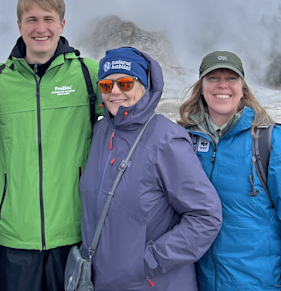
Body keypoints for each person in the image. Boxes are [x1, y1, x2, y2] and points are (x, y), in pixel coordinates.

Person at [0, 0, 102, 291]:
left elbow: (130, 116)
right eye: (31, 19)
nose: (40, 28)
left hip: (74, 232)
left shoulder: (88, 74)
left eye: (48, 19)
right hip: (14, 236)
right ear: (19, 25)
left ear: (62, 24)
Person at [79, 47, 222, 290]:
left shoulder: (167, 139)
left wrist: (149, 261)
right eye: (106, 85)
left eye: (125, 83)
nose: (115, 91)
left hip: (152, 282)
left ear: (144, 86)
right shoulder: (100, 133)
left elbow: (206, 216)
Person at [179, 51, 281, 290]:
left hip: (258, 284)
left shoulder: (272, 141)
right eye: (213, 78)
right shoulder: (183, 140)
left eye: (231, 78)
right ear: (201, 88)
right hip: (198, 282)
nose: (222, 85)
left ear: (242, 88)